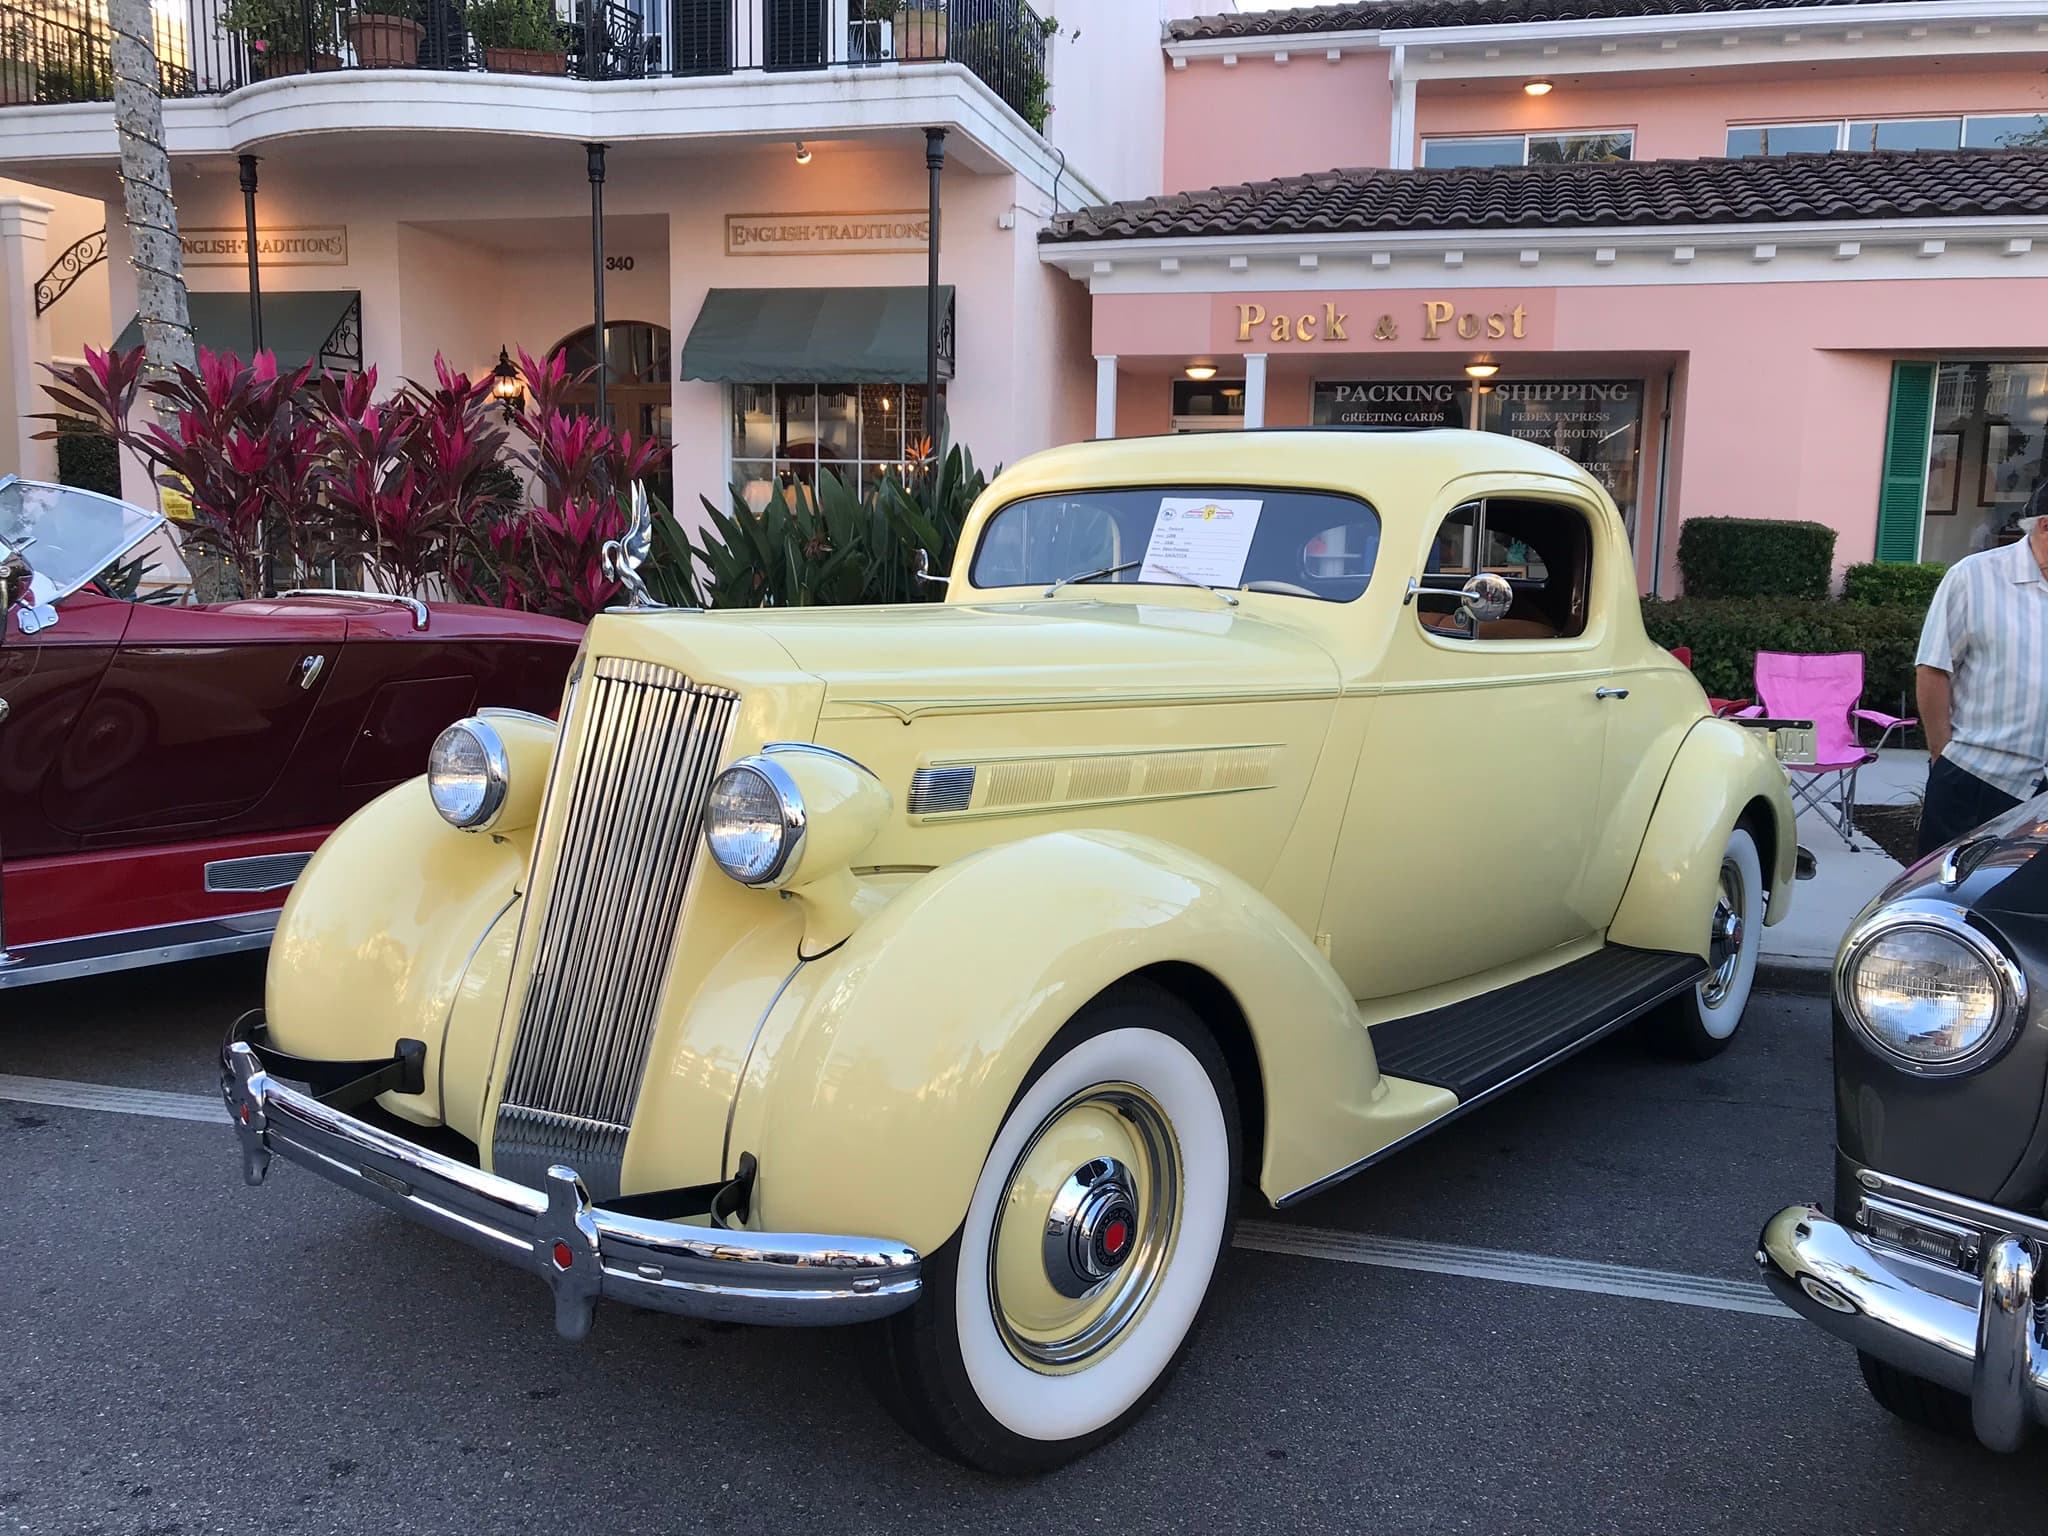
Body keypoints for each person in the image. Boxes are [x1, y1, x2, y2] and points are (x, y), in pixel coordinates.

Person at [1913, 493, 2048, 857]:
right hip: (1977, 779)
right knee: (1955, 888)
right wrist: (1943, 757)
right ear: (2044, 525)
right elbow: (1933, 667)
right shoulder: (1974, 577)